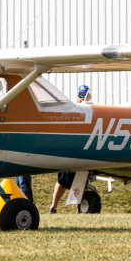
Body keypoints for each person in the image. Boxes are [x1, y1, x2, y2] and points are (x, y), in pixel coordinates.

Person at [49, 84, 92, 214]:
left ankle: (80, 208)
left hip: (83, 152)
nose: (82, 97)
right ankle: (53, 207)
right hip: (69, 150)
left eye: (84, 95)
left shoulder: (91, 108)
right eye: (80, 95)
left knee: (82, 180)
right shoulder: (73, 109)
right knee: (62, 181)